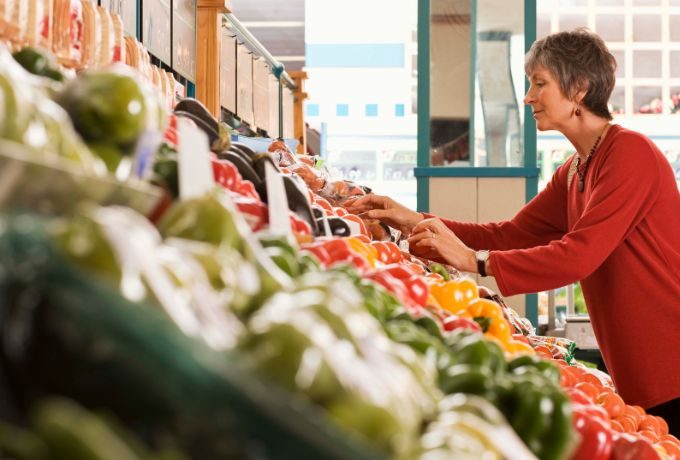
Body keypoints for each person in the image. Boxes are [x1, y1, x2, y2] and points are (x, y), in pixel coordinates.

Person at [346, 28, 680, 435]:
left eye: (540, 84)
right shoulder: (575, 169)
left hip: (671, 363)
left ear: (579, 89)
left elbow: (579, 255)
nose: (527, 97)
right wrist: (415, 221)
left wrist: (474, 262)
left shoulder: (631, 154)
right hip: (637, 369)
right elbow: (511, 234)